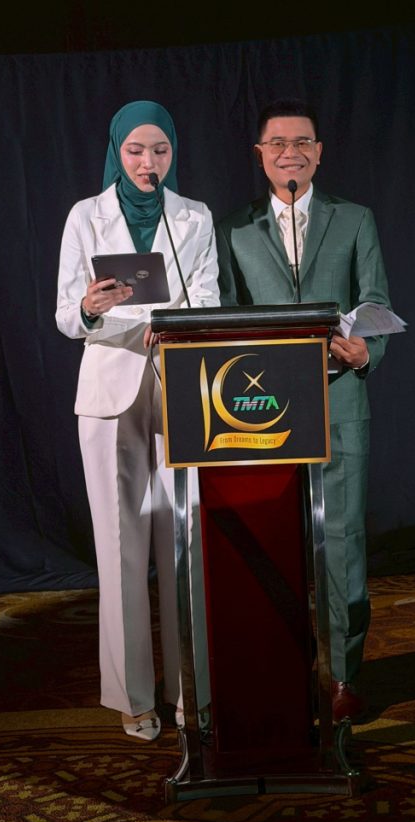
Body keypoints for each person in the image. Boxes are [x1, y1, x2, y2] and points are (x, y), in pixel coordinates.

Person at [215, 98, 390, 722]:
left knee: (343, 543)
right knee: (272, 542)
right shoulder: (232, 230)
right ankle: (282, 669)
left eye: (302, 142)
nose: (290, 153)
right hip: (263, 408)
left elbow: (375, 302)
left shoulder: (355, 219)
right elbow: (225, 314)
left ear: (319, 152)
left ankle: (342, 676)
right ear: (260, 154)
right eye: (278, 143)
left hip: (340, 398)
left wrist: (367, 351)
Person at [56, 101, 218, 740]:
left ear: (173, 152)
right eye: (135, 150)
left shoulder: (195, 216)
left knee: (185, 541)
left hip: (179, 385)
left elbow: (207, 298)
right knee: (119, 546)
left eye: (159, 150)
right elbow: (67, 316)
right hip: (110, 390)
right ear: (116, 152)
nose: (148, 162)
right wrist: (94, 309)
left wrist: (170, 323)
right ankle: (132, 697)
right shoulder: (85, 215)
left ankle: (189, 690)